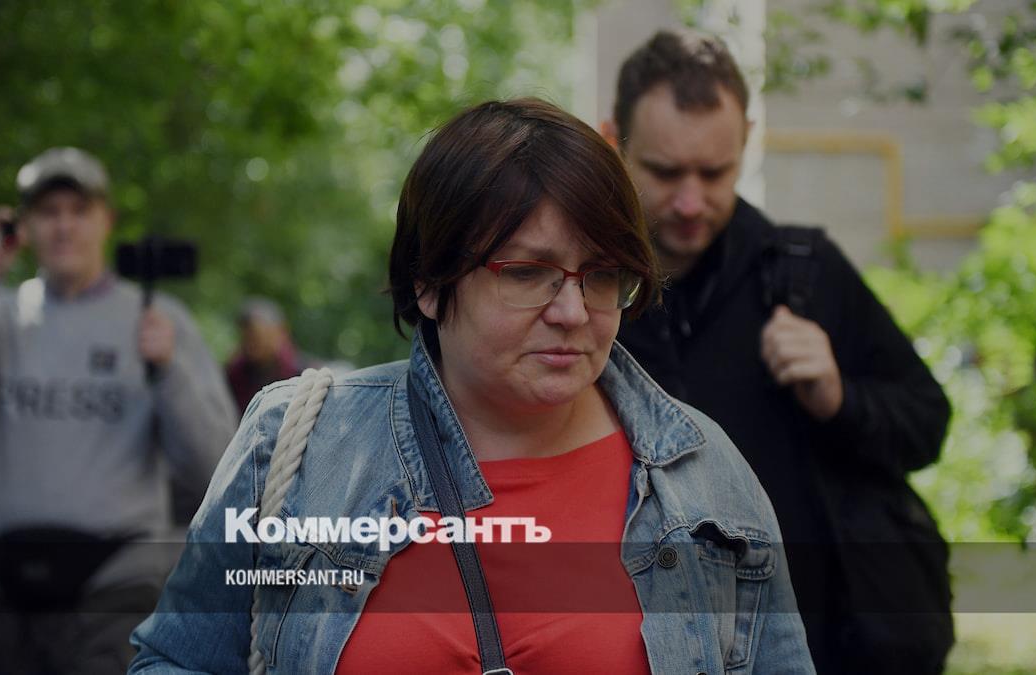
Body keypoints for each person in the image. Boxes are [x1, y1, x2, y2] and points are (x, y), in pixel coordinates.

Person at [129, 99, 814, 674]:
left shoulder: (702, 474)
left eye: (602, 274)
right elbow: (173, 660)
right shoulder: (300, 444)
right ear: (429, 282)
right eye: (527, 272)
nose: (573, 311)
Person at [607, 31, 954, 674]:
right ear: (613, 142)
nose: (690, 201)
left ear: (746, 141)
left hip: (824, 646)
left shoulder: (807, 274)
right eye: (665, 171)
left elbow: (927, 423)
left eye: (714, 172)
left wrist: (840, 399)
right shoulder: (581, 296)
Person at [0, 147, 238, 674]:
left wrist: (168, 371)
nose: (64, 226)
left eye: (79, 210)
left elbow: (215, 468)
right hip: (1, 587)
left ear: (107, 219)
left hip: (115, 585)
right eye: (48, 212)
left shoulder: (158, 319)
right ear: (22, 227)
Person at [224, 298, 313, 413]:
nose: (250, 344)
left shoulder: (304, 373)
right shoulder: (235, 375)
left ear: (280, 331)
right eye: (246, 337)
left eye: (256, 337)